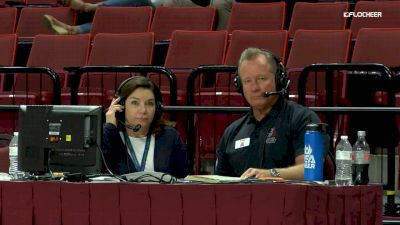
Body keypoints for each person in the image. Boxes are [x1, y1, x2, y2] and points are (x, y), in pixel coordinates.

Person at [215, 48, 324, 180]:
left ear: (279, 80)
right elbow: (219, 183)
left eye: (261, 78)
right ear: (239, 86)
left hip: (290, 199)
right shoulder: (232, 132)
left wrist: (270, 174)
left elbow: (310, 169)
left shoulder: (302, 119)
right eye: (247, 81)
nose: (254, 88)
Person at [102, 76, 188, 178]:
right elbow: (97, 175)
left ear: (157, 108)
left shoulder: (170, 137)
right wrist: (110, 127)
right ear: (121, 105)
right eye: (135, 103)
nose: (143, 110)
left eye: (150, 104)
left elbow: (184, 179)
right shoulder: (109, 135)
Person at [42, 0, 235, 35]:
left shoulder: (222, 3)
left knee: (137, 2)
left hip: (158, 19)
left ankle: (89, 8)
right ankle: (76, 30)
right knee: (126, 21)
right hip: (154, 15)